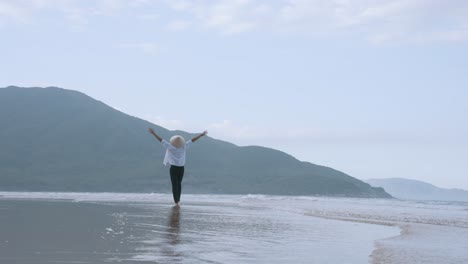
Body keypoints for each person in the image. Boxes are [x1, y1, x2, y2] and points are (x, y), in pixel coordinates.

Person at [148, 128, 208, 206]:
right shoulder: (184, 147)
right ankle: (178, 200)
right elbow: (193, 140)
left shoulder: (170, 147)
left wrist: (153, 133)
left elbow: (161, 140)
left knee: (174, 185)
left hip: (173, 168)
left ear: (173, 142)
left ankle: (176, 201)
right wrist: (201, 135)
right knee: (179, 184)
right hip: (181, 168)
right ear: (181, 142)